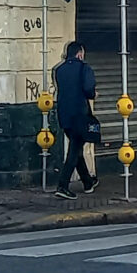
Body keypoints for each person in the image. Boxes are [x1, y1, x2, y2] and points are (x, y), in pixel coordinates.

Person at [51, 40, 101, 200]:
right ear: (80, 54)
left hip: (64, 114)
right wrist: (94, 94)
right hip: (80, 114)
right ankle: (63, 185)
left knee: (76, 146)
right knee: (74, 151)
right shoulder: (84, 68)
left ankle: (88, 182)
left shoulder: (58, 69)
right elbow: (88, 89)